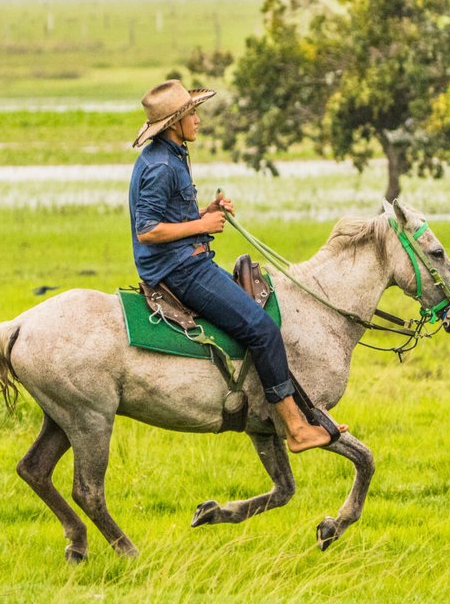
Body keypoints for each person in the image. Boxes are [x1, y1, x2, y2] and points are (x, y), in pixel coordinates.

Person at [128, 79, 344, 452]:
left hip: (185, 259)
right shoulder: (163, 165)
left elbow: (170, 216)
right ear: (173, 124)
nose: (197, 120)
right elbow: (147, 230)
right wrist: (202, 226)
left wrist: (205, 212)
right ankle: (295, 428)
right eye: (190, 114)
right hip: (178, 269)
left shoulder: (171, 155)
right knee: (262, 329)